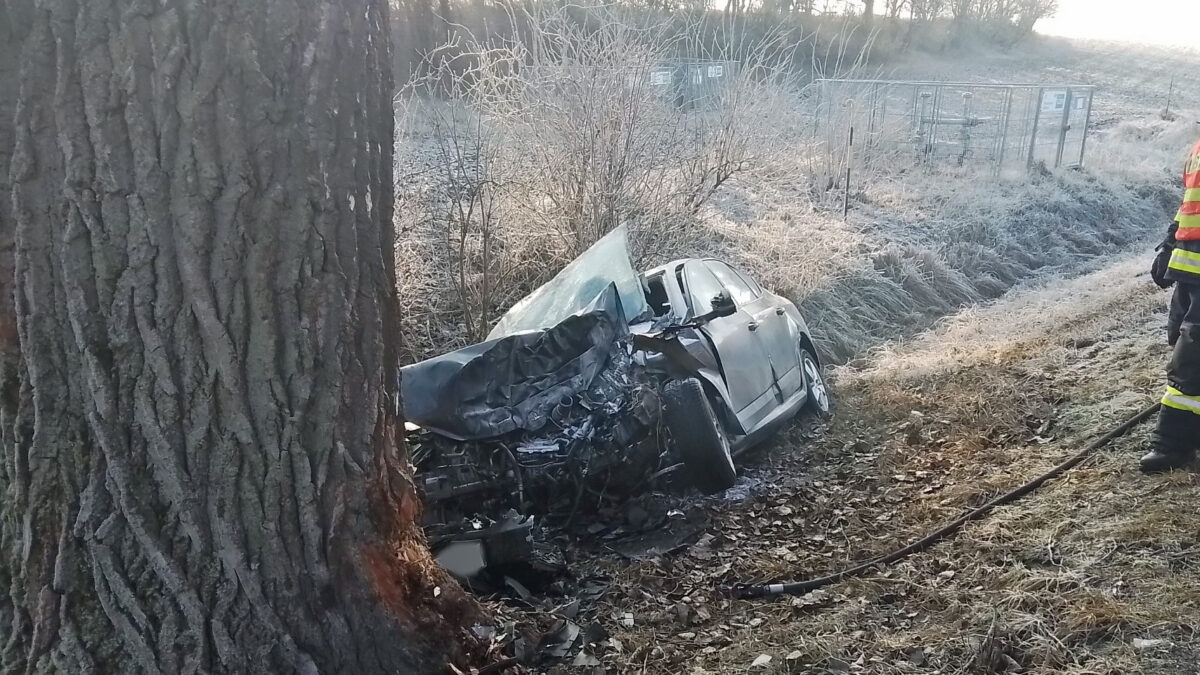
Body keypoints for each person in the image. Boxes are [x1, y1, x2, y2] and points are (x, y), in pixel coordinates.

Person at [1144, 138, 1200, 472]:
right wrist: (1170, 241)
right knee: (1181, 342)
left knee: (1192, 355)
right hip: (1191, 263)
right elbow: (1191, 203)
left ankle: (1172, 443)